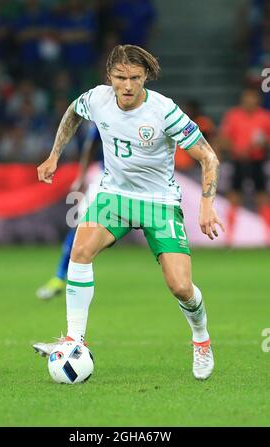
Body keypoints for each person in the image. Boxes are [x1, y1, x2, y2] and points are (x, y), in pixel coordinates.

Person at [33, 45, 224, 380]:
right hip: (115, 196)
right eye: (120, 77)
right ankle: (73, 339)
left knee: (181, 287)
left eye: (135, 77)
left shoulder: (164, 111)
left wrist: (207, 205)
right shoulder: (98, 98)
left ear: (145, 76)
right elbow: (73, 113)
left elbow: (208, 157)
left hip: (159, 202)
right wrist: (54, 155)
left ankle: (201, 339)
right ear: (110, 76)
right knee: (80, 251)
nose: (128, 85)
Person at [36, 122, 102, 299]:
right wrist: (81, 177)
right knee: (80, 226)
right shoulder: (105, 110)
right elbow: (91, 145)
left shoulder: (148, 112)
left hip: (140, 184)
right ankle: (59, 277)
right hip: (106, 179)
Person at [219, 86, 270, 244]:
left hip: (257, 161)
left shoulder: (264, 117)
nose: (249, 100)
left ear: (258, 100)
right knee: (234, 197)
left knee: (262, 197)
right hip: (238, 161)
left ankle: (267, 237)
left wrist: (262, 144)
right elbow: (224, 138)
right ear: (242, 99)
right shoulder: (233, 115)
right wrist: (236, 149)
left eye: (252, 97)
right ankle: (229, 239)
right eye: (247, 97)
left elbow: (267, 140)